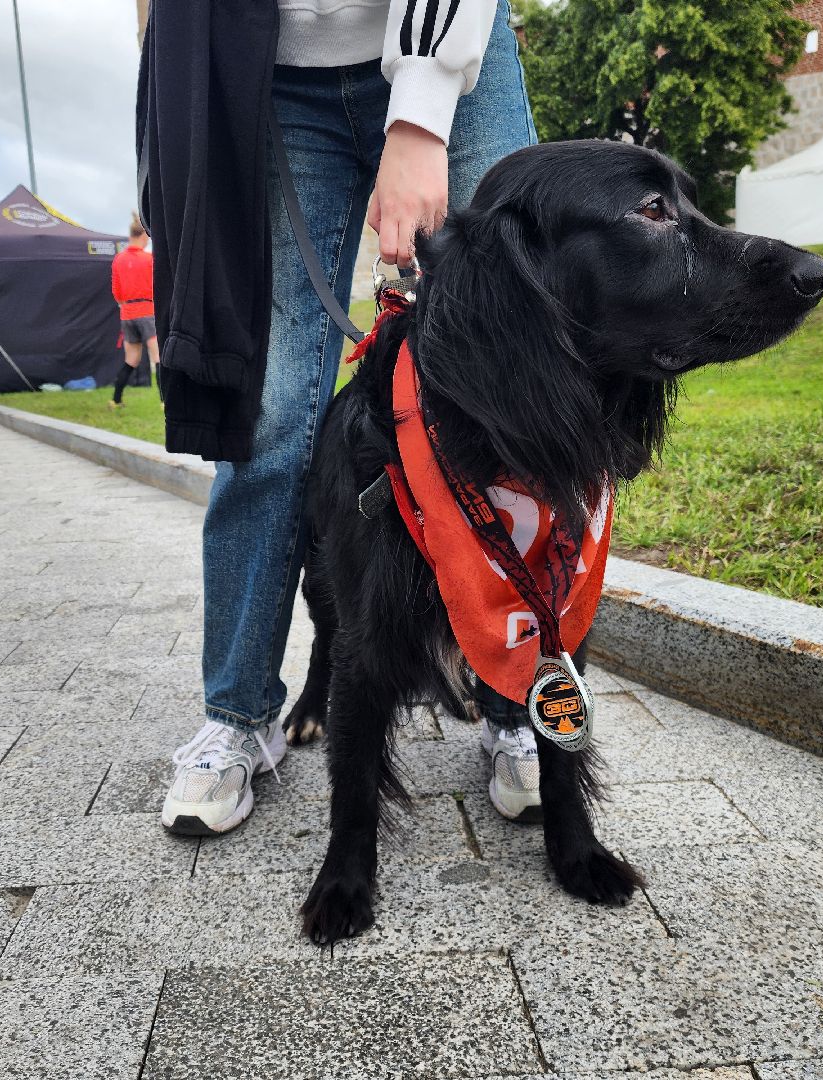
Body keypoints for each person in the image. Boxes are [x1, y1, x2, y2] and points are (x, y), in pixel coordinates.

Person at [149, 0, 539, 834]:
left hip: (456, 49)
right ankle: (238, 713)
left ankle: (520, 707)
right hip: (270, 74)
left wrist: (425, 109)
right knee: (273, 414)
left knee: (514, 385)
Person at [109, 214, 158, 408]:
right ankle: (166, 402)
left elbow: (116, 292)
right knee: (158, 357)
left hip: (127, 313)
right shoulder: (149, 259)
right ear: (144, 237)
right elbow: (157, 286)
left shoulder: (118, 260)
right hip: (147, 311)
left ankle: (116, 399)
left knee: (132, 359)